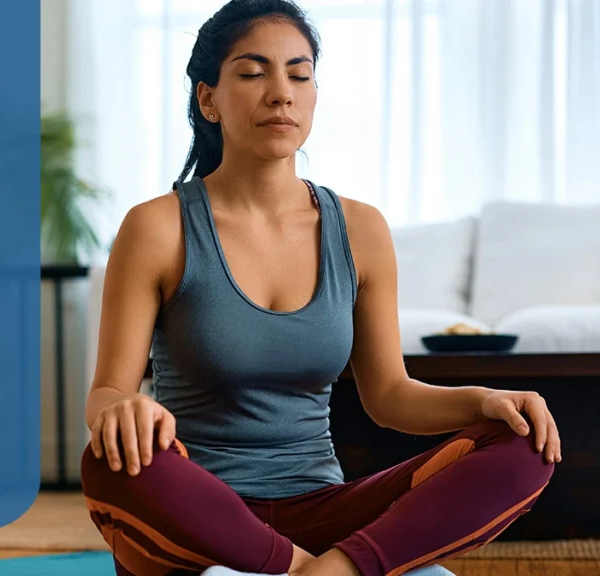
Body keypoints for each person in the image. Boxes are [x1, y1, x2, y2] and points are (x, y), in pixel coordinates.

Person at [79, 1, 559, 574]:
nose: (281, 92)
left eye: (299, 74)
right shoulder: (157, 228)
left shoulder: (360, 229)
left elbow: (388, 396)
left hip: (325, 509)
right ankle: (318, 567)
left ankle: (327, 569)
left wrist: (484, 401)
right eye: (253, 73)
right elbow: (106, 392)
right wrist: (123, 408)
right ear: (208, 99)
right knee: (107, 461)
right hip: (198, 510)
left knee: (522, 442)